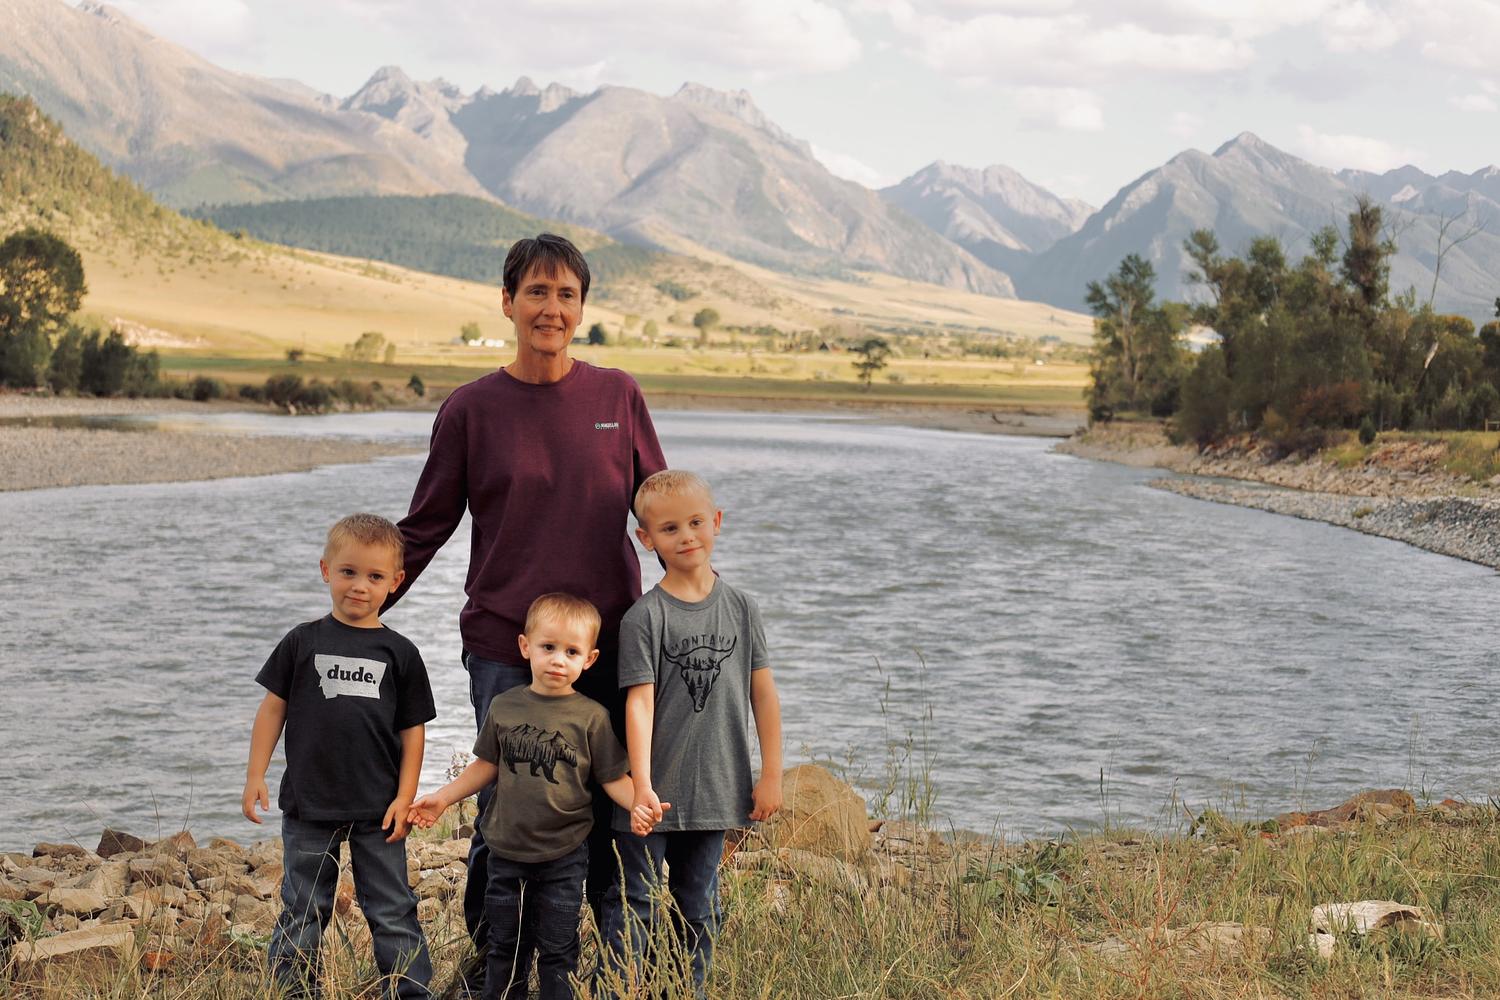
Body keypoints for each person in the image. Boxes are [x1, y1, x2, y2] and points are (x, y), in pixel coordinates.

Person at [387, 232, 667, 983]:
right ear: (507, 302)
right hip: (507, 649)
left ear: (582, 308)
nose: (551, 308)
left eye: (566, 294)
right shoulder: (471, 409)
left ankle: (618, 971)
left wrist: (703, 610)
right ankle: (497, 969)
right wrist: (359, 616)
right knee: (507, 807)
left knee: (612, 810)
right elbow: (425, 527)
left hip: (609, 648)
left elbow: (660, 509)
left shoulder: (617, 396)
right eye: (536, 292)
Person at [407, 593, 664, 1000]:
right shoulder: (504, 707)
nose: (558, 660)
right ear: (525, 646)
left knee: (558, 950)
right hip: (506, 854)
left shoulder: (591, 717)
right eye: (548, 647)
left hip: (564, 856)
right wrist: (442, 797)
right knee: (505, 947)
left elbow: (612, 777)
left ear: (590, 659)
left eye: (571, 652)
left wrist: (639, 802)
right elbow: (485, 766)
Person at [602, 470, 783, 1000]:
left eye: (696, 523)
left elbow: (763, 695)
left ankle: (684, 992)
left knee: (698, 908)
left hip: (717, 790)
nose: (686, 536)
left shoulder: (742, 608)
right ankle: (616, 991)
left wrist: (771, 774)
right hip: (650, 798)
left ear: (717, 522)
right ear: (646, 539)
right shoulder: (644, 617)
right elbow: (639, 703)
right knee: (632, 905)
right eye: (670, 528)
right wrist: (641, 786)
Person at [243, 513, 435, 1000]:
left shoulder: (401, 653)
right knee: (303, 907)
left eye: (374, 576)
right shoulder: (302, 641)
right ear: (326, 570)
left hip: (379, 808)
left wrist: (406, 796)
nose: (359, 586)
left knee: (392, 909)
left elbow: (414, 733)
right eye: (348, 572)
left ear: (395, 582)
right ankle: (293, 991)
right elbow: (272, 710)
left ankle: (410, 991)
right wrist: (255, 775)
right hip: (309, 803)